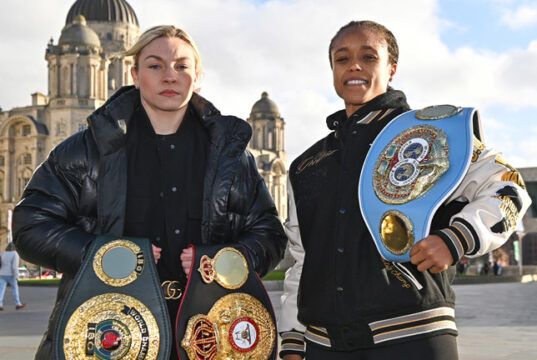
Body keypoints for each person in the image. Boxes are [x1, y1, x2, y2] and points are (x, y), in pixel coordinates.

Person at [13, 25, 286, 360]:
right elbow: (30, 226)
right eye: (155, 65)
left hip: (206, 336)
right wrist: (109, 257)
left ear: (196, 77)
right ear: (134, 74)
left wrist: (222, 261)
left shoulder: (231, 157)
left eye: (182, 66)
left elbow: (269, 234)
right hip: (107, 333)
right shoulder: (85, 149)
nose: (170, 76)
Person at [279, 20, 531, 360]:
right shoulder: (307, 164)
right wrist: (293, 339)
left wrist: (456, 238)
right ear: (333, 70)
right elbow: (302, 260)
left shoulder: (435, 133)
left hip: (412, 338)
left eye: (368, 57)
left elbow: (509, 187)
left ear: (391, 68)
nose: (354, 65)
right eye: (342, 58)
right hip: (324, 346)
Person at [0, 242, 26, 311]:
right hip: (11, 274)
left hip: (2, 274)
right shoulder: (15, 254)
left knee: (1, 290)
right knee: (15, 289)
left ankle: (0, 304)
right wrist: (16, 276)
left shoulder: (3, 253)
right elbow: (14, 267)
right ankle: (18, 304)